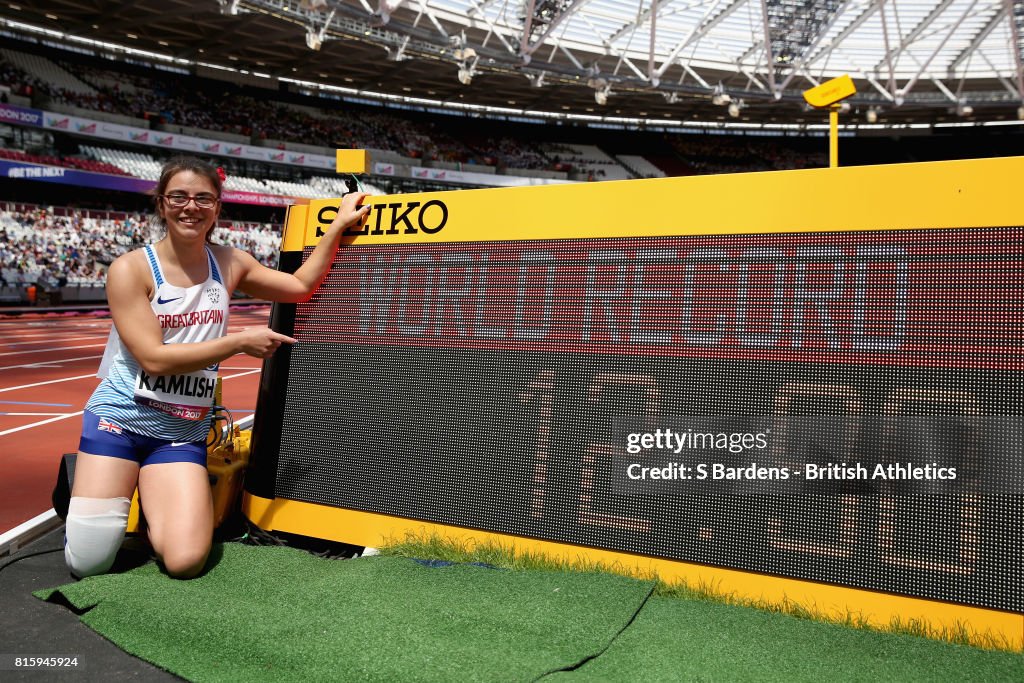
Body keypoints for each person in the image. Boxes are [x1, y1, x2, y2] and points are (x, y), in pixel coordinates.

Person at [64, 156, 368, 579]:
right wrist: (239, 342)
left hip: (181, 432)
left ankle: (153, 508)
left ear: (217, 208)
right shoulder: (130, 269)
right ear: (162, 205)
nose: (192, 207)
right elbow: (153, 358)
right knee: (88, 562)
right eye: (180, 197)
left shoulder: (229, 263)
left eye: (203, 198)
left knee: (186, 562)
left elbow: (299, 287)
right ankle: (102, 490)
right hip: (121, 421)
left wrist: (336, 226)